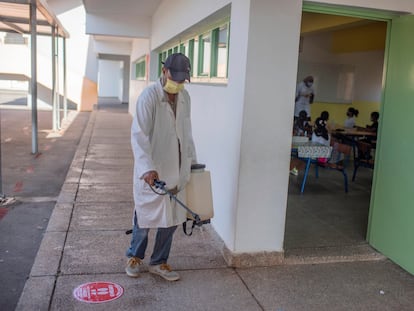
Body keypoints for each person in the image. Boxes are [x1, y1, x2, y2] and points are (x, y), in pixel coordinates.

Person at [125, 53, 197, 282]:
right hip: (153, 172)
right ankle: (135, 256)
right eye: (174, 77)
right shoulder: (149, 97)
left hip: (177, 169)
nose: (178, 83)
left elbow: (186, 132)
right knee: (145, 218)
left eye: (182, 79)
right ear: (164, 71)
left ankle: (159, 261)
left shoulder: (185, 98)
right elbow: (139, 135)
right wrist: (146, 168)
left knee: (172, 220)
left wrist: (192, 161)